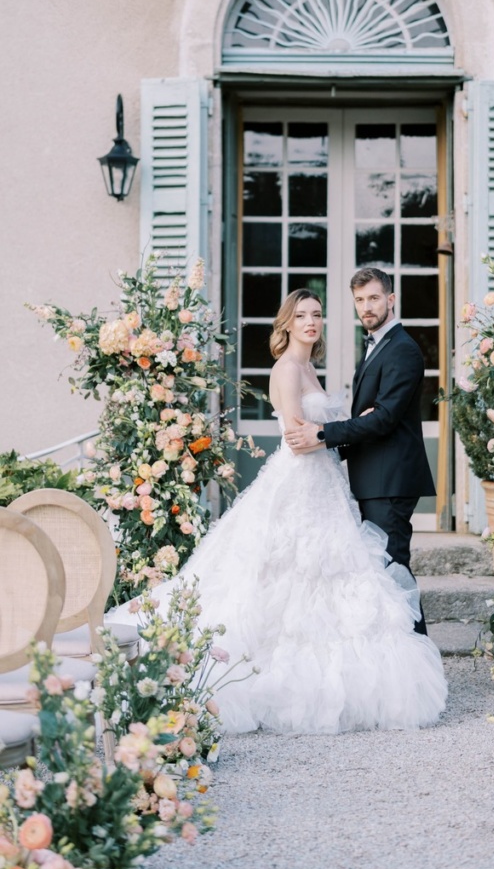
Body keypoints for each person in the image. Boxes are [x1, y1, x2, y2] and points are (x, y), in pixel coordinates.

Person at [112, 288, 447, 736]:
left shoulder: (310, 367)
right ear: (286, 322)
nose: (311, 322)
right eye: (302, 315)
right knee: (285, 574)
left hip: (327, 482)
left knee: (338, 577)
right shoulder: (287, 369)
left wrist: (333, 429)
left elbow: (325, 430)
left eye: (317, 314)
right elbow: (296, 434)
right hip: (301, 483)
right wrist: (333, 429)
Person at [284, 268, 435, 635]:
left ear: (390, 299)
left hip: (391, 480)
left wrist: (323, 433)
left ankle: (417, 659)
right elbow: (369, 419)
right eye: (359, 300)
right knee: (381, 571)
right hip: (374, 477)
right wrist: (335, 448)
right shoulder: (377, 346)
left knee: (393, 569)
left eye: (373, 298)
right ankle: (400, 657)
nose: (366, 307)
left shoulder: (402, 350)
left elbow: (383, 420)